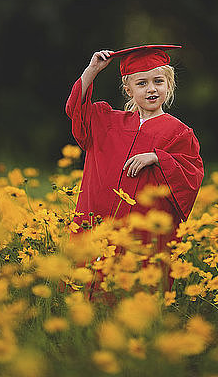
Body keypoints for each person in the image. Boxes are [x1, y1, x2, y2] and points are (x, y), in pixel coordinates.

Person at [64, 45, 204, 293]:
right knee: (87, 289)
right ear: (128, 90)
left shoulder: (178, 132)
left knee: (131, 291)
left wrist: (159, 157)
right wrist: (92, 71)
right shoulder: (107, 122)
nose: (151, 88)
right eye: (142, 83)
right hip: (98, 224)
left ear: (168, 85)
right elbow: (77, 111)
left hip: (140, 231)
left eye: (158, 81)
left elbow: (191, 175)